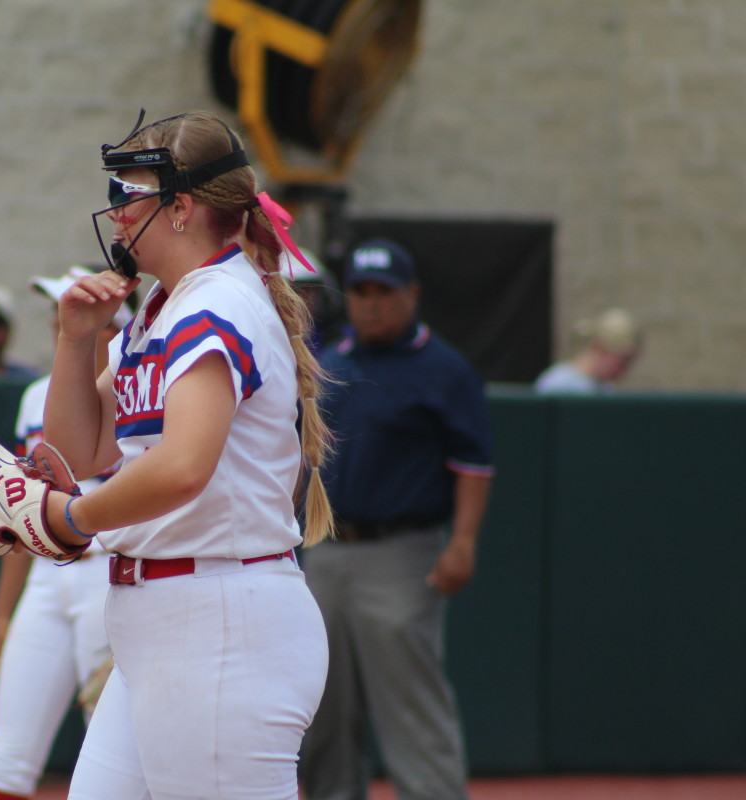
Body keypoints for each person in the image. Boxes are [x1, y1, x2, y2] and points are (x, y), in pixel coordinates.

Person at [24, 109, 336, 800]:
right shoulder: (163, 307)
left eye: (129, 194)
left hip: (220, 621)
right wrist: (77, 341)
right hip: (171, 620)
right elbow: (77, 452)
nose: (118, 213)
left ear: (182, 208)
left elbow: (183, 466)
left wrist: (71, 517)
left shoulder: (213, 303)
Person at [298, 237, 494, 800]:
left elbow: (475, 464)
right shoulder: (333, 361)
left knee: (411, 702)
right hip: (329, 551)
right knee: (324, 704)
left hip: (402, 551)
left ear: (412, 294)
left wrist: (462, 542)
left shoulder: (445, 368)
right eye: (360, 291)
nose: (371, 303)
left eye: (384, 291)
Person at [0, 266, 137, 800]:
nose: (57, 321)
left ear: (116, 327)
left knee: (116, 760)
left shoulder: (137, 391)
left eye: (71, 308)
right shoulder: (35, 397)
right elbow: (19, 517)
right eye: (54, 310)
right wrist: (3, 612)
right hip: (48, 576)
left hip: (107, 576)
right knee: (7, 761)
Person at [534, 307, 642, 394]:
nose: (624, 371)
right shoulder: (560, 385)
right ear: (599, 348)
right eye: (622, 363)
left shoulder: (605, 388)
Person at [287, 247, 346, 356]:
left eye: (309, 290)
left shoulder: (336, 336)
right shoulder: (269, 333)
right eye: (296, 290)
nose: (303, 298)